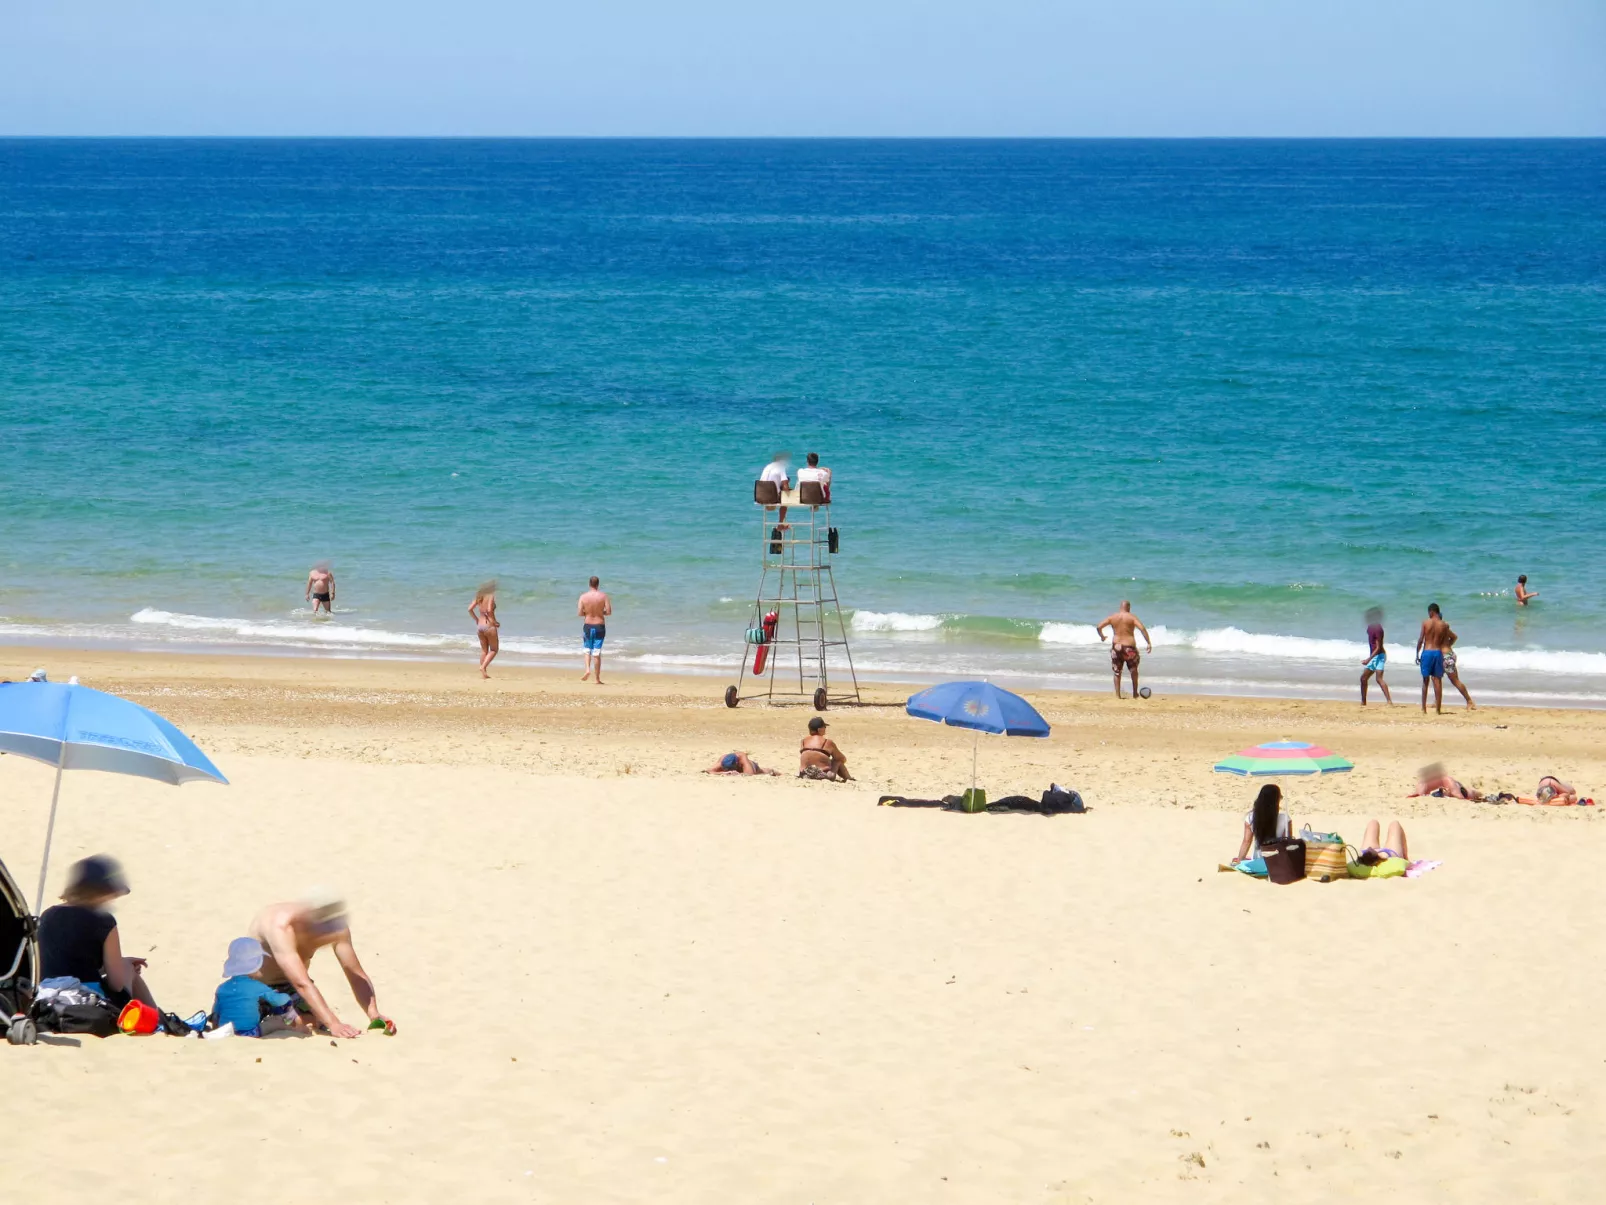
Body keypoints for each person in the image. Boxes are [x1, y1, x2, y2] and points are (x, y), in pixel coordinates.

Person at [246, 891, 390, 1040]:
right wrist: (334, 1024)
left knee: (311, 1023)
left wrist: (373, 1013)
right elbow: (301, 983)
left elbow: (354, 972)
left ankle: (278, 1021)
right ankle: (268, 1022)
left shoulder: (334, 927)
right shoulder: (280, 927)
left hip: (289, 989)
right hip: (253, 987)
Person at [38, 854, 158, 1010]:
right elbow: (117, 984)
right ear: (101, 891)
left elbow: (65, 962)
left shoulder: (47, 916)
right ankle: (159, 1023)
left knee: (124, 964)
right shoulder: (104, 921)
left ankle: (161, 1022)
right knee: (128, 969)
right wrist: (123, 964)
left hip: (49, 1002)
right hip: (89, 1003)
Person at [213, 937, 300, 1037]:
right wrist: (286, 997)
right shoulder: (256, 986)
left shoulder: (222, 988)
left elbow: (216, 1014)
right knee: (275, 1022)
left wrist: (216, 1029)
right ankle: (297, 1029)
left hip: (225, 1032)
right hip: (249, 1032)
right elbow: (277, 1001)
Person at [1096, 601, 1153, 700]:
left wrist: (1102, 637)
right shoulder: (1132, 617)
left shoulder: (1113, 617)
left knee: (1117, 672)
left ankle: (1118, 695)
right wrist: (1148, 642)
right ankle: (1135, 693)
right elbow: (1142, 629)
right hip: (1129, 648)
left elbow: (1098, 627)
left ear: (1120, 607)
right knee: (1133, 670)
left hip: (1116, 647)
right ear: (1129, 607)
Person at [1232, 784, 1293, 864]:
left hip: (1258, 861)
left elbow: (1246, 842)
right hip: (1278, 864)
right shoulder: (1285, 819)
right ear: (1276, 801)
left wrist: (1240, 861)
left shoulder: (1251, 818)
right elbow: (1286, 843)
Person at [1415, 603, 1451, 714]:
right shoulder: (1444, 625)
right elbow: (1445, 642)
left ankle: (1424, 709)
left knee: (1425, 681)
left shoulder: (1426, 623)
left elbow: (1421, 639)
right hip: (1437, 652)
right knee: (1438, 681)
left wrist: (1417, 653)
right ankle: (1438, 709)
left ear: (1431, 612)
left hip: (1427, 652)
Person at [578, 575, 612, 684]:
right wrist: (600, 612)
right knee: (596, 653)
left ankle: (587, 669)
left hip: (588, 625)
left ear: (589, 584)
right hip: (599, 626)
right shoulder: (603, 596)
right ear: (598, 584)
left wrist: (587, 613)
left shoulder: (583, 597)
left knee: (587, 650)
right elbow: (609, 612)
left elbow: (579, 613)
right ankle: (597, 679)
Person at [799, 716, 853, 781]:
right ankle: (848, 778)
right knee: (837, 761)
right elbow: (841, 758)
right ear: (819, 730)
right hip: (823, 775)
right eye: (824, 727)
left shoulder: (803, 742)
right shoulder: (827, 742)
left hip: (804, 774)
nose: (825, 728)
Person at [1442, 619, 1476, 710]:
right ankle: (1437, 701)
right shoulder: (1442, 627)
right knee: (1436, 678)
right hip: (1443, 655)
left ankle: (1469, 701)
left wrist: (1447, 646)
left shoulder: (1441, 628)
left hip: (1447, 656)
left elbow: (1454, 637)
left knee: (1454, 680)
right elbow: (1454, 637)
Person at [1360, 607, 1392, 706]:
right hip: (1377, 656)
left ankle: (1389, 701)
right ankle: (1364, 702)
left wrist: (1368, 659)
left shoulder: (1378, 629)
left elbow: (1378, 647)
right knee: (1365, 679)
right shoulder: (1371, 628)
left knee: (1374, 678)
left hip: (1378, 656)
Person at [469, 581, 499, 679]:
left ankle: (483, 673)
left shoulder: (479, 596)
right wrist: (494, 621)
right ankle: (483, 667)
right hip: (488, 625)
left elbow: (470, 609)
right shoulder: (490, 596)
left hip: (480, 626)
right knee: (494, 649)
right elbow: (489, 610)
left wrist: (477, 620)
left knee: (484, 651)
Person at [1408, 763, 1483, 801]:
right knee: (1469, 793)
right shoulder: (1449, 783)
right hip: (1448, 785)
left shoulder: (1449, 783)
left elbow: (1459, 795)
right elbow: (1460, 797)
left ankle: (1476, 793)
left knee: (1471, 792)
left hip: (1448, 784)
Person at [760, 452, 791, 524]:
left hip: (761, 497)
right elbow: (786, 488)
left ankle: (781, 524)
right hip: (772, 497)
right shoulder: (781, 467)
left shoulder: (767, 467)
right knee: (786, 501)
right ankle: (781, 523)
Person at [704, 751, 779, 776]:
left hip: (753, 766)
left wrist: (737, 774)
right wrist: (724, 773)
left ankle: (778, 773)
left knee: (764, 771)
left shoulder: (742, 757)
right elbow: (708, 771)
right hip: (737, 767)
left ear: (736, 763)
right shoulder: (723, 759)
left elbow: (750, 774)